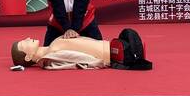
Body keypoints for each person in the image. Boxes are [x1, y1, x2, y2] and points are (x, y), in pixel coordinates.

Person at [11, 28, 152, 70]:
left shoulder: (51, 47)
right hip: (109, 54)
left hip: (107, 46)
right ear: (28, 57)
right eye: (24, 43)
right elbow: (77, 59)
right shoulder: (50, 56)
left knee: (127, 34)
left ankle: (135, 56)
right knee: (130, 36)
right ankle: (134, 57)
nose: (27, 38)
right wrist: (100, 63)